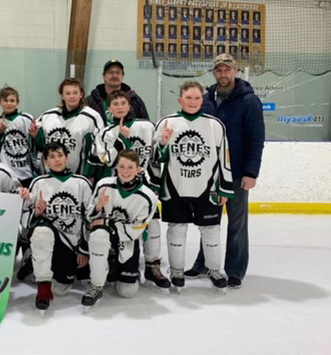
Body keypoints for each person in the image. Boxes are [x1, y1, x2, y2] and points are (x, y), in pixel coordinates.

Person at [185, 54, 265, 288]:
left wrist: (251, 172)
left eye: (227, 70)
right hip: (211, 173)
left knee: (237, 224)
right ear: (214, 72)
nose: (223, 74)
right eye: (219, 70)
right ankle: (203, 263)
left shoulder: (249, 101)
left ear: (235, 71)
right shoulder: (207, 98)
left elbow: (256, 138)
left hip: (237, 173)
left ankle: (235, 270)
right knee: (208, 220)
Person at [153, 81, 234, 293]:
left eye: (197, 98)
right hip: (175, 187)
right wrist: (163, 143)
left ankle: (214, 270)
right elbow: (154, 159)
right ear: (180, 99)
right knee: (176, 230)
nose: (192, 101)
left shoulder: (214, 125)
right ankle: (177, 270)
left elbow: (224, 159)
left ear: (202, 100)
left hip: (207, 189)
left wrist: (224, 188)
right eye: (188, 97)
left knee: (211, 231)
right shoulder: (167, 122)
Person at [20, 142, 93, 312]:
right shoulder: (38, 182)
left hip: (73, 244)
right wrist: (37, 212)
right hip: (51, 239)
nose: (57, 160)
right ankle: (43, 285)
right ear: (46, 162)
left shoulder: (81, 183)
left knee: (61, 288)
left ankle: (35, 263)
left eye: (60, 155)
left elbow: (90, 217)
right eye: (52, 157)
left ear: (67, 158)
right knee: (41, 230)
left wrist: (84, 249)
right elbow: (24, 218)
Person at [81, 151, 159, 308]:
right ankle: (97, 285)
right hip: (105, 236)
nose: (125, 171)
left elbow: (137, 229)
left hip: (127, 239)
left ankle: (119, 268)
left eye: (130, 167)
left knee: (127, 291)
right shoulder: (104, 185)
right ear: (116, 167)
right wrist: (98, 206)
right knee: (98, 236)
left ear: (138, 169)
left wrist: (108, 222)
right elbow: (89, 217)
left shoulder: (148, 196)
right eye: (122, 166)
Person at [35, 78, 104, 179]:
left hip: (79, 177)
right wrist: (34, 135)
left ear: (81, 94)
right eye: (67, 93)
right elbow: (38, 143)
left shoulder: (92, 117)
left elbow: (99, 147)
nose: (72, 96)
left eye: (75, 93)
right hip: (49, 176)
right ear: (62, 96)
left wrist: (91, 174)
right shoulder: (48, 115)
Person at [0, 86, 37, 187]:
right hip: (6, 173)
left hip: (26, 173)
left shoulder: (27, 119)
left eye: (12, 100)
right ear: (0, 102)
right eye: (5, 100)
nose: (9, 103)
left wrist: (35, 136)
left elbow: (39, 145)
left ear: (17, 102)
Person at [86, 60, 149, 125]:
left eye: (118, 72)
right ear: (104, 76)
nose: (114, 75)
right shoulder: (91, 101)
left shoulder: (135, 100)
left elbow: (145, 125)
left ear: (122, 76)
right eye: (110, 72)